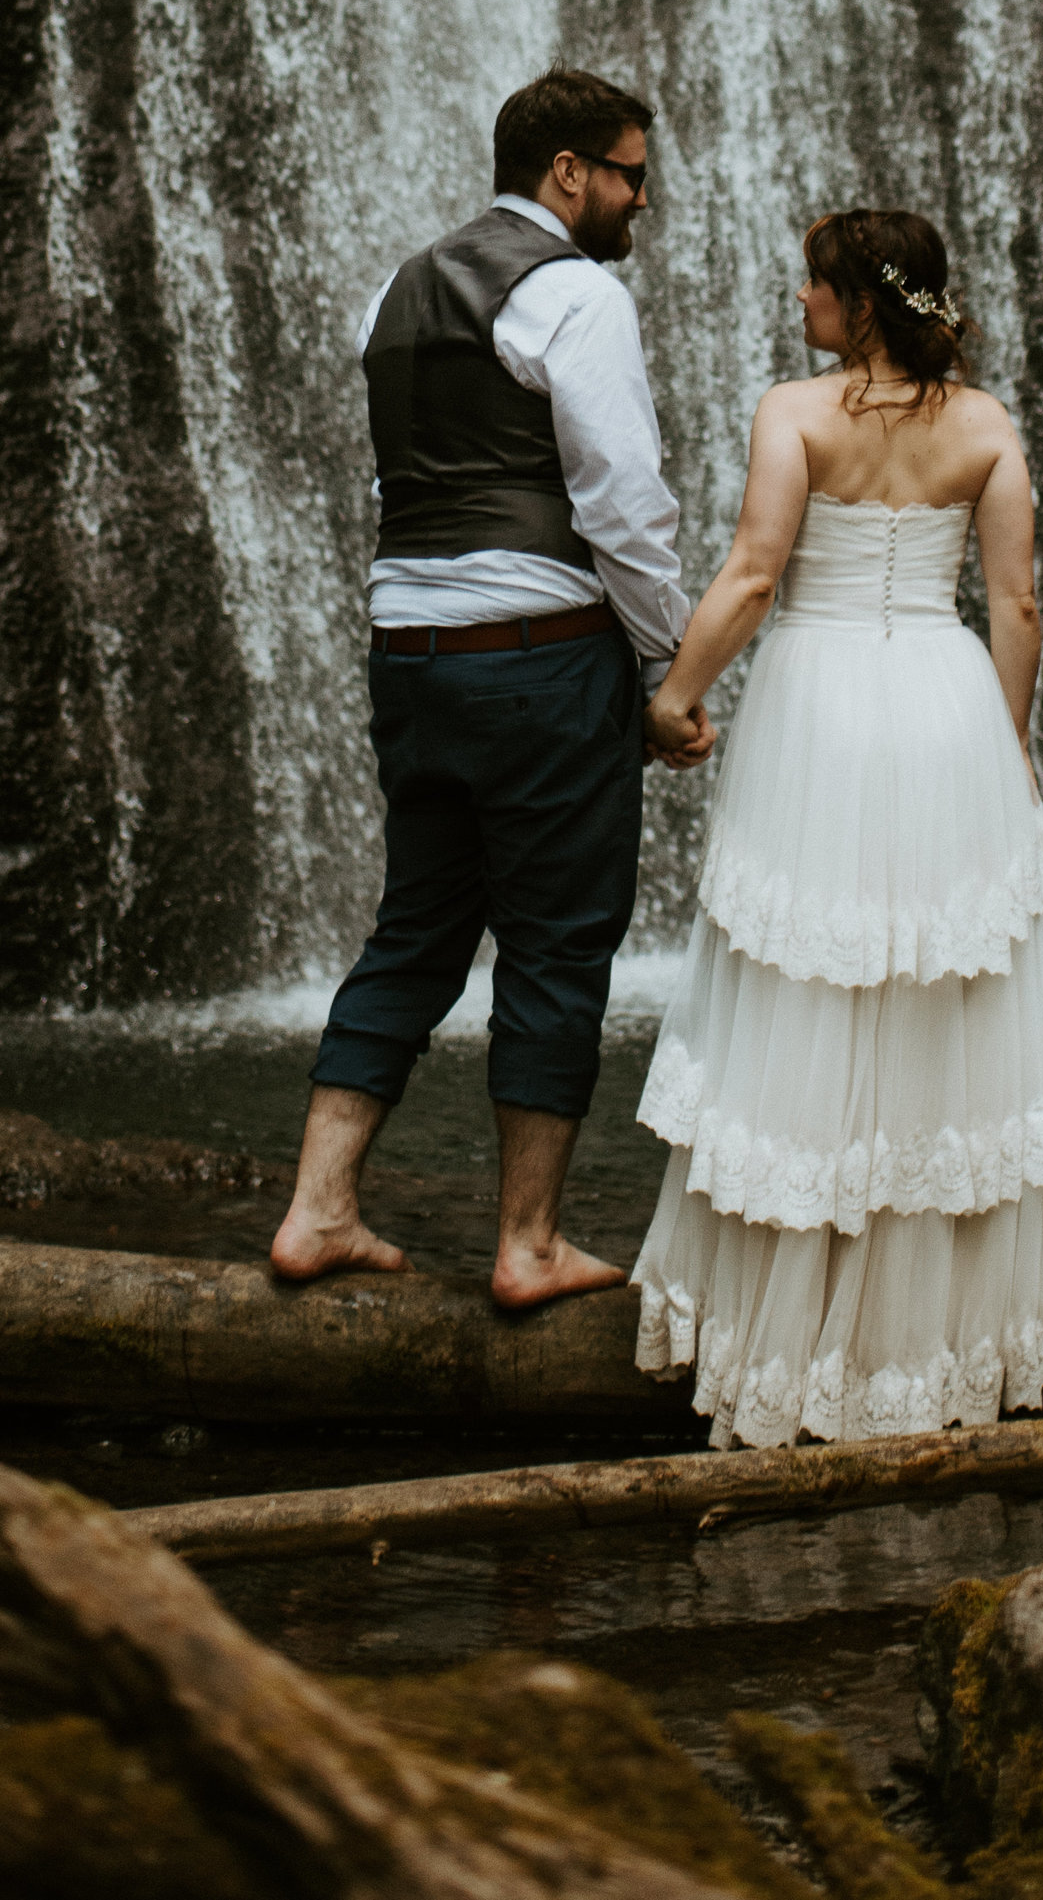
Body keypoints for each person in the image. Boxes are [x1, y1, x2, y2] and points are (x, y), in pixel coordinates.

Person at [628, 207, 1043, 1444]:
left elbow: (754, 573)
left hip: (822, 710)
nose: (798, 299)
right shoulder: (985, 423)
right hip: (946, 705)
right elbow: (1013, 601)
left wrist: (675, 697)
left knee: (814, 991)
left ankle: (801, 1333)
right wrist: (1004, 750)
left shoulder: (794, 412)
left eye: (813, 283)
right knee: (945, 997)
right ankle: (947, 1330)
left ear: (859, 300)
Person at [271, 67, 712, 1310]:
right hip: (539, 656)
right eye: (628, 170)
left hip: (407, 652)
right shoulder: (577, 294)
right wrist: (667, 667)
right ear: (565, 172)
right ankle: (527, 1244)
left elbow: (395, 490)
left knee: (414, 927)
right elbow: (623, 507)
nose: (640, 195)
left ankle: (317, 1210)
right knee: (559, 941)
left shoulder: (392, 290)